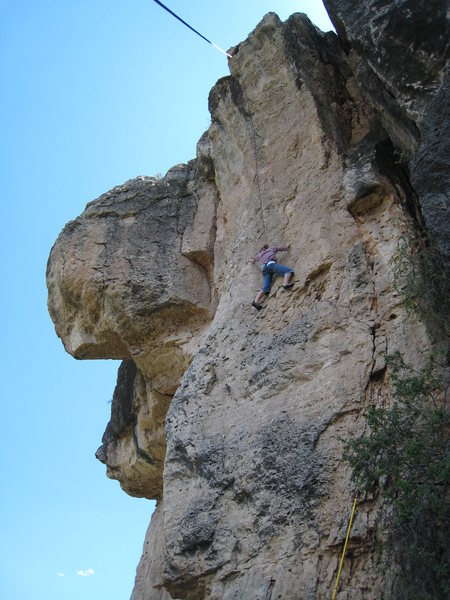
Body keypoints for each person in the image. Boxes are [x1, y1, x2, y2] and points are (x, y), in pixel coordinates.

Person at [248, 244, 294, 310]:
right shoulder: (271, 249)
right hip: (271, 264)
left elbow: (253, 261)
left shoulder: (259, 255)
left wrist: (250, 260)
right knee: (288, 271)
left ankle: (256, 301)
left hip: (264, 270)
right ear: (265, 249)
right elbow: (280, 248)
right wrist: (287, 246)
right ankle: (285, 284)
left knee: (265, 288)